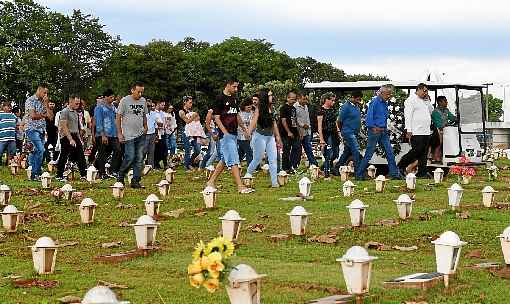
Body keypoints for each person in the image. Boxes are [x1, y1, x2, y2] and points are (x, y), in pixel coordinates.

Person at [206, 78, 253, 194]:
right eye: (234, 87)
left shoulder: (234, 99)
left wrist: (244, 129)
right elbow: (216, 118)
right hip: (225, 135)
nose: (236, 89)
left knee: (224, 160)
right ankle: (240, 186)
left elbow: (236, 116)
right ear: (228, 85)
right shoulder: (219, 99)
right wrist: (225, 133)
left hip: (234, 133)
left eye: (237, 87)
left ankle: (211, 182)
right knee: (233, 159)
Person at [356, 85, 403, 180]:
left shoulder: (385, 103)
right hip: (375, 131)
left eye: (390, 94)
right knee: (369, 154)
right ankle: (359, 174)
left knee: (389, 152)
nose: (389, 96)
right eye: (387, 94)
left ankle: (394, 174)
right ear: (381, 93)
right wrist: (373, 128)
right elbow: (368, 117)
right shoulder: (375, 102)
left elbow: (385, 116)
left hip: (383, 131)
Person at [245, 89, 282, 187]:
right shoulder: (259, 109)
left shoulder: (272, 108)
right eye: (270, 95)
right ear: (265, 97)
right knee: (257, 159)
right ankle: (248, 175)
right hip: (260, 136)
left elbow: (274, 124)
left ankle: (274, 183)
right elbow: (254, 121)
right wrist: (248, 132)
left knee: (273, 159)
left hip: (270, 137)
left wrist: (277, 136)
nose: (272, 97)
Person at [116, 81, 148, 188]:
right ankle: (121, 175)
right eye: (138, 92)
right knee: (130, 157)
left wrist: (145, 126)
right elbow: (118, 117)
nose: (140, 94)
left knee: (139, 158)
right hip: (128, 135)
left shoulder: (143, 101)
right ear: (132, 90)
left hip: (140, 134)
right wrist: (120, 133)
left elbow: (144, 115)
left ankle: (136, 180)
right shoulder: (124, 101)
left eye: (142, 92)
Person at [398, 83, 433, 178]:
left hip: (426, 131)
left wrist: (428, 101)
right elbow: (408, 116)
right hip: (416, 131)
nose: (425, 93)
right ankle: (401, 165)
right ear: (418, 90)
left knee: (424, 153)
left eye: (427, 91)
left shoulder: (424, 101)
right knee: (417, 150)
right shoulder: (411, 100)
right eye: (424, 91)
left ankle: (422, 172)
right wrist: (408, 130)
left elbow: (431, 111)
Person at [25, 83, 53, 181]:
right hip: (32, 129)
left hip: (42, 130)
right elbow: (33, 116)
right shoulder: (30, 100)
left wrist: (46, 104)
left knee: (36, 151)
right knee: (41, 150)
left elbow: (50, 117)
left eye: (47, 93)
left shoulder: (44, 102)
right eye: (44, 92)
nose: (46, 95)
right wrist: (43, 115)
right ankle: (35, 174)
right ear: (39, 90)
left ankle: (35, 171)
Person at [55, 95, 87, 181]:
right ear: (71, 102)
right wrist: (70, 139)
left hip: (75, 135)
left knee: (80, 154)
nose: (78, 105)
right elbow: (64, 126)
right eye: (76, 103)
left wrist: (79, 136)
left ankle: (84, 174)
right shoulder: (65, 111)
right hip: (66, 136)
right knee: (64, 155)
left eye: (79, 103)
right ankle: (59, 175)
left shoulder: (76, 112)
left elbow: (76, 127)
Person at [94, 89, 121, 179]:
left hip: (113, 134)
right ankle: (101, 173)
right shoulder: (99, 107)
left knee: (117, 150)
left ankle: (112, 170)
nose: (112, 99)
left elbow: (117, 119)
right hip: (103, 135)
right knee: (103, 154)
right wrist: (102, 135)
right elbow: (98, 121)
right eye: (110, 97)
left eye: (113, 97)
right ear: (105, 97)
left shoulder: (114, 107)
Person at [334, 91, 363, 174]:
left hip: (355, 132)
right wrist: (342, 131)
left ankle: (336, 168)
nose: (359, 101)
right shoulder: (345, 107)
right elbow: (339, 121)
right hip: (348, 132)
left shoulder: (357, 106)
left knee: (347, 152)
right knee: (356, 150)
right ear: (352, 97)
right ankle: (358, 172)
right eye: (358, 99)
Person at [317, 92, 340, 179]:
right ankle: (327, 172)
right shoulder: (321, 111)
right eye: (332, 100)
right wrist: (321, 139)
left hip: (334, 133)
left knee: (336, 153)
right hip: (326, 133)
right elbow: (319, 126)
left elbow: (335, 121)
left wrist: (338, 131)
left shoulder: (333, 109)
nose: (334, 102)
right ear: (326, 100)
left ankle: (327, 166)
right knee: (328, 154)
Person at [178, 96, 201, 171]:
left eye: (191, 103)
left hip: (193, 132)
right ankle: (186, 166)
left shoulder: (191, 112)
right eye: (190, 102)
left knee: (197, 150)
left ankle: (190, 162)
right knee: (187, 149)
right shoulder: (181, 111)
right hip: (186, 132)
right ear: (185, 102)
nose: (191, 104)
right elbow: (187, 121)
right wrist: (193, 116)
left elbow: (197, 120)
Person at [294, 93, 318, 167]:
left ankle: (314, 164)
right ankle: (295, 165)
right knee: (298, 150)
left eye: (306, 99)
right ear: (299, 98)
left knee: (309, 149)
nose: (305, 101)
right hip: (299, 131)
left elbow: (307, 118)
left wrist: (308, 127)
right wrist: (302, 125)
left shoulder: (306, 107)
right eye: (303, 99)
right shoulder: (295, 107)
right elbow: (295, 119)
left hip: (307, 131)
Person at [279, 91, 301, 173]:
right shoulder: (283, 108)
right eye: (292, 99)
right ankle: (285, 168)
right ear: (287, 98)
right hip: (285, 133)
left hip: (294, 131)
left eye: (295, 99)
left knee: (297, 148)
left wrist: (298, 132)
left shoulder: (294, 109)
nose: (293, 101)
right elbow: (283, 121)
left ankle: (292, 165)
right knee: (286, 150)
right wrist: (288, 131)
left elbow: (295, 121)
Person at [430, 96, 457, 162]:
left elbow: (451, 117)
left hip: (446, 131)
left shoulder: (446, 110)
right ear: (440, 102)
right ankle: (435, 157)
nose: (447, 102)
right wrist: (446, 125)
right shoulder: (435, 112)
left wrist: (456, 118)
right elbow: (438, 125)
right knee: (440, 141)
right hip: (437, 131)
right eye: (445, 101)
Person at [237, 97, 254, 166]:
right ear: (244, 106)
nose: (249, 109)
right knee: (248, 151)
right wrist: (245, 131)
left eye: (250, 107)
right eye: (248, 107)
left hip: (249, 134)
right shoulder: (240, 113)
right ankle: (250, 166)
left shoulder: (252, 113)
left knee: (241, 151)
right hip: (241, 135)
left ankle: (235, 163)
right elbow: (239, 124)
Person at [153, 100, 167, 169]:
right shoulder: (154, 113)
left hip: (163, 133)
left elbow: (163, 123)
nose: (163, 106)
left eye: (164, 105)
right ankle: (156, 163)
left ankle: (164, 163)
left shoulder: (163, 113)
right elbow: (158, 123)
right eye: (162, 105)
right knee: (157, 150)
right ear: (158, 104)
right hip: (157, 133)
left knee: (164, 149)